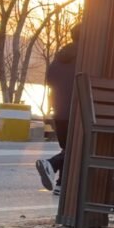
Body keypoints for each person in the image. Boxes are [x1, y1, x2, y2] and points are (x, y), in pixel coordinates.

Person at [35, 23, 80, 195]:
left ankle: (61, 184)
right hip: (76, 112)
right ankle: (51, 164)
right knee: (77, 148)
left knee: (69, 148)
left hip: (60, 112)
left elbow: (50, 80)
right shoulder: (87, 57)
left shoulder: (60, 57)